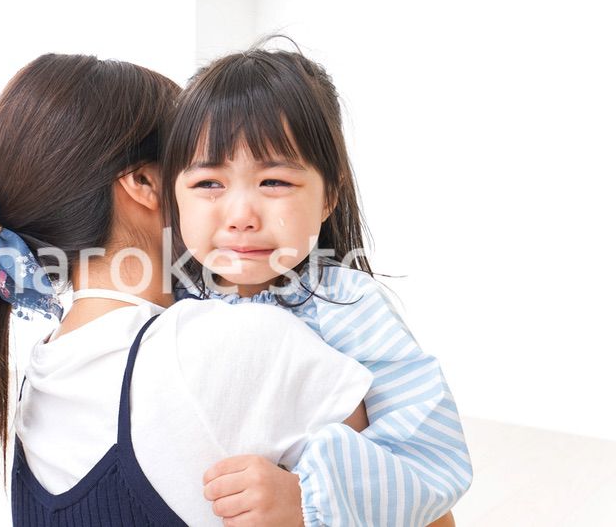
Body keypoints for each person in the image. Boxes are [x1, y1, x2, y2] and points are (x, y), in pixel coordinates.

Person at [0, 53, 378, 526]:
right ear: (145, 181)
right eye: (204, 171)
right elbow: (422, 513)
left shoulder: (46, 372)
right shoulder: (237, 341)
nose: (235, 208)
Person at [161, 45, 472, 526]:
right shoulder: (165, 301)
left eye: (274, 182)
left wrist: (305, 499)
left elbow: (431, 458)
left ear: (330, 195)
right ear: (172, 194)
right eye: (208, 184)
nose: (241, 216)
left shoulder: (347, 304)